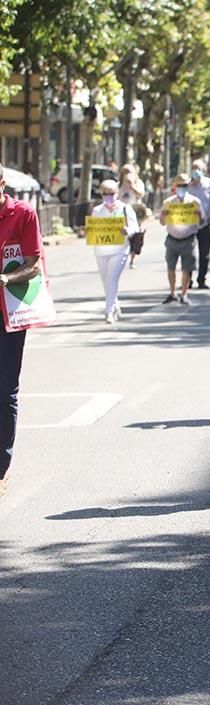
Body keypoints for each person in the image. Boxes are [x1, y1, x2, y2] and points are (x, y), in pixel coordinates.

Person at [0, 166, 44, 496]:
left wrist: (6, 280)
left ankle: (2, 465)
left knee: (4, 391)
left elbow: (33, 265)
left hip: (8, 315)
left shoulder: (23, 214)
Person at [90, 179, 139, 324]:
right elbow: (92, 229)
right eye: (105, 193)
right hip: (101, 251)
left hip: (119, 250)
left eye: (111, 193)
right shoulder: (97, 210)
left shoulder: (125, 209)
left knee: (112, 279)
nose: (108, 196)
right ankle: (115, 304)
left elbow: (135, 227)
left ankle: (109, 312)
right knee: (106, 281)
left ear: (117, 193)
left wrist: (127, 231)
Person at [159, 173, 204, 304]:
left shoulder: (195, 202)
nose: (182, 188)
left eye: (184, 185)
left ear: (188, 186)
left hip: (188, 239)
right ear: (175, 186)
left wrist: (199, 215)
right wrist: (163, 215)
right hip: (172, 239)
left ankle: (184, 294)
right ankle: (172, 293)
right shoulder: (168, 203)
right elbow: (162, 222)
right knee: (170, 267)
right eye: (179, 185)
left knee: (187, 268)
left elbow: (201, 222)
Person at [188, 159, 210, 290]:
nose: (196, 171)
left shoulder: (209, 183)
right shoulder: (188, 185)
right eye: (193, 168)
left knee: (204, 253)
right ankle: (188, 279)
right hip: (190, 225)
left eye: (198, 168)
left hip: (205, 224)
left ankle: (201, 279)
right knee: (189, 253)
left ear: (203, 170)